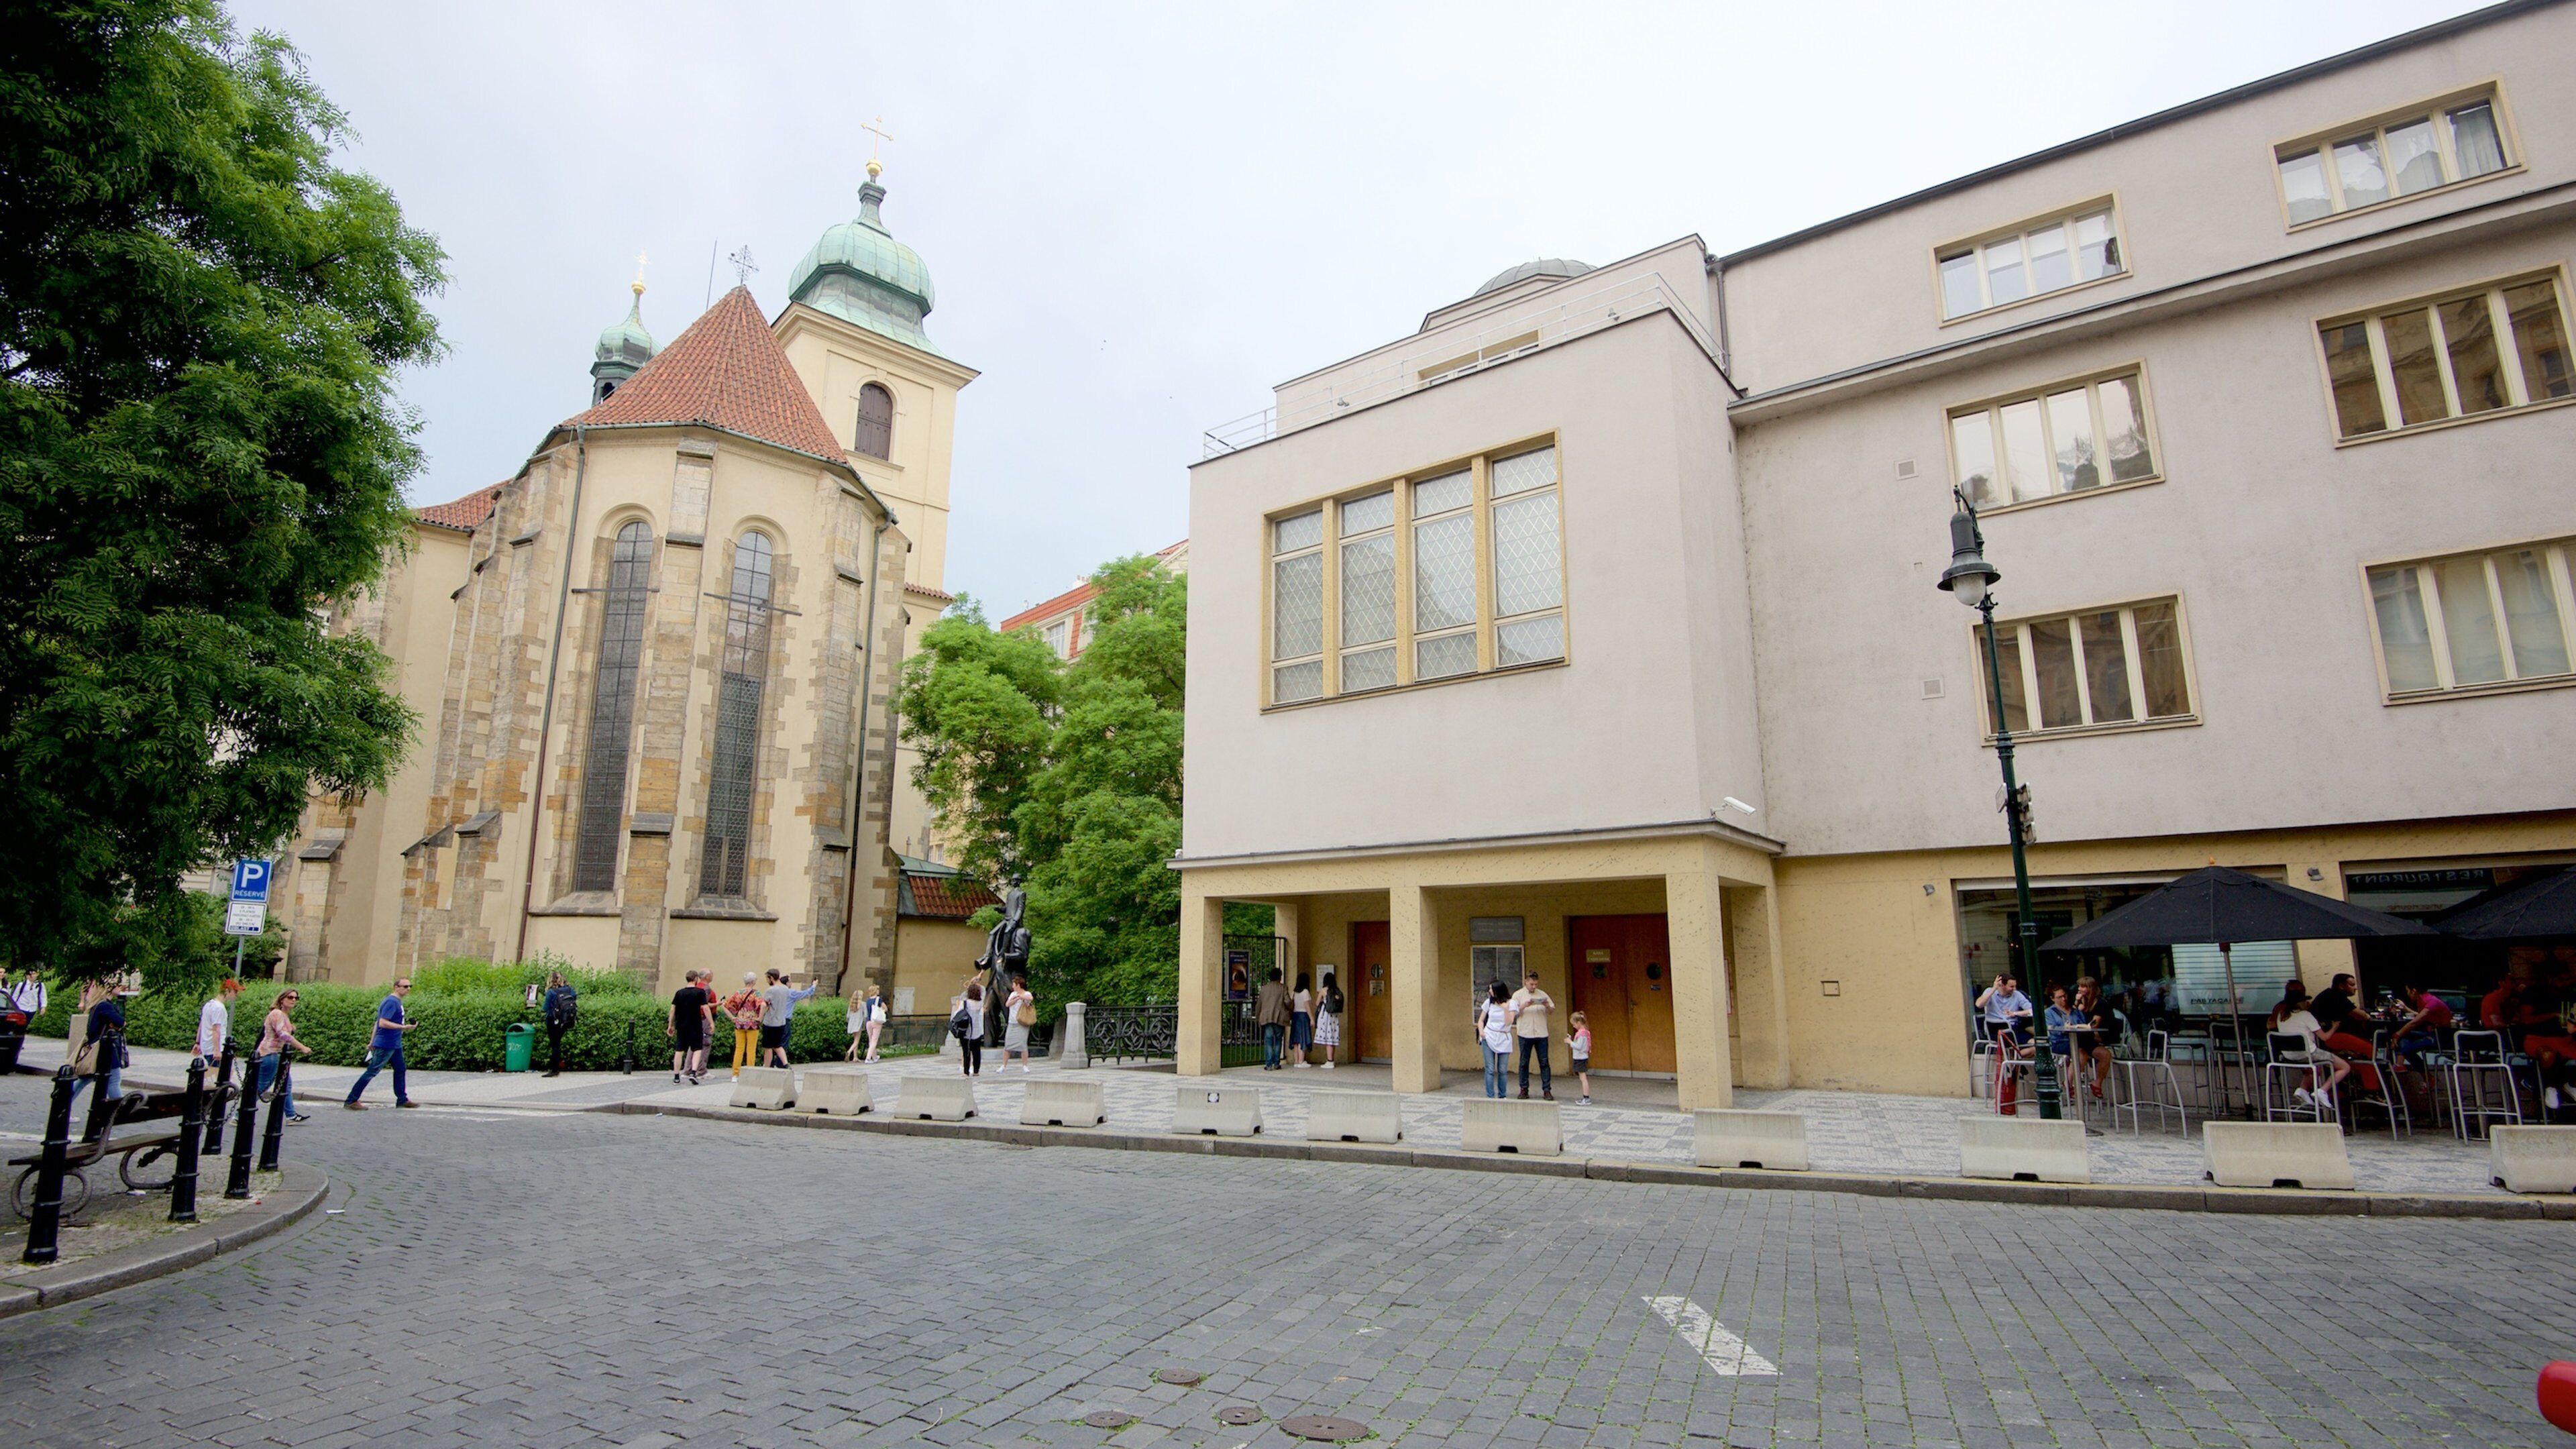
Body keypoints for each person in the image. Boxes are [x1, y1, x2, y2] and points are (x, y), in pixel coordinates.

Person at [345, 977, 420, 1110]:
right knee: (372, 1071)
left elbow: (377, 1022)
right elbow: (382, 1023)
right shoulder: (391, 1002)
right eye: (405, 986)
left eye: (410, 986)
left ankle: (402, 1099)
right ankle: (352, 1100)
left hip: (394, 1043)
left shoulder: (396, 1001)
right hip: (386, 1043)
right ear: (396, 987)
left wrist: (372, 1041)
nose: (408, 989)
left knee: (400, 1069)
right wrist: (403, 1027)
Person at [2272, 996, 2351, 1114]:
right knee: (2344, 1067)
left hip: (2289, 1055)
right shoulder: (2305, 1015)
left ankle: (2303, 1090)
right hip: (2308, 1053)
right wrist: (2335, 1027)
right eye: (2305, 1001)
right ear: (2300, 1003)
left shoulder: (2281, 1015)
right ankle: (2323, 1090)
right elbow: (2325, 1037)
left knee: (2314, 1068)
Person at [68, 980, 129, 1124]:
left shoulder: (99, 1005)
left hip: (97, 1048)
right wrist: (117, 1024)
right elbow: (121, 1022)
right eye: (118, 985)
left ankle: (65, 1105)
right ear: (109, 988)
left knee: (85, 1079)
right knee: (114, 1081)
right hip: (104, 1049)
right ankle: (119, 1112)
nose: (121, 987)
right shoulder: (105, 1006)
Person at [254, 988, 313, 1124]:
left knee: (286, 1085)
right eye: (290, 997)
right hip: (270, 1055)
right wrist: (302, 1047)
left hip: (277, 1055)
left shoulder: (283, 1015)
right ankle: (240, 1115)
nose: (293, 1000)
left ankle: (291, 1115)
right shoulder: (277, 1014)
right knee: (262, 1086)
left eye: (296, 998)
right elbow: (283, 1035)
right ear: (282, 999)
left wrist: (291, 1027)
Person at [1509, 970, 1555, 1101]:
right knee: (1524, 1062)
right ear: (1526, 982)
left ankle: (1547, 1090)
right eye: (1531, 984)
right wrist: (1524, 1006)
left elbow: (1551, 1010)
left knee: (1544, 1062)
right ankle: (1524, 1089)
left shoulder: (1542, 994)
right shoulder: (1518, 995)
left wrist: (1546, 1005)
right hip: (1525, 1033)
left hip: (1541, 1033)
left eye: (1535, 984)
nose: (1534, 987)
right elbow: (1513, 1014)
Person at [760, 969, 818, 1069]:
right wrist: (814, 986)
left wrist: (760, 1017)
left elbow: (764, 1004)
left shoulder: (772, 991)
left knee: (769, 1046)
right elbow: (805, 993)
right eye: (790, 982)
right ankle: (784, 1064)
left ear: (771, 978)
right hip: (783, 1021)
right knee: (780, 1045)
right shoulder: (788, 991)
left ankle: (769, 1065)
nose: (791, 984)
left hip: (771, 1022)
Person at [669, 971, 713, 1083]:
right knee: (697, 1049)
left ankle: (676, 1076)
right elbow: (705, 1008)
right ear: (696, 979)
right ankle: (693, 1073)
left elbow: (673, 1009)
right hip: (695, 1025)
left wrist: (670, 1025)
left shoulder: (679, 993)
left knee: (679, 1050)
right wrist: (711, 1022)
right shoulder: (700, 992)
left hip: (681, 1025)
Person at [722, 973, 765, 1079]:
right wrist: (760, 1018)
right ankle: (750, 1074)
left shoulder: (738, 993)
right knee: (751, 1049)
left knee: (739, 1049)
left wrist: (732, 1018)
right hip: (752, 1024)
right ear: (753, 982)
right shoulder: (756, 994)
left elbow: (725, 1005)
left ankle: (735, 1074)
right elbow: (763, 1005)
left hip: (740, 1024)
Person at [1474, 981, 1513, 1098]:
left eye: (1492, 989)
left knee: (1502, 1070)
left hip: (1504, 1037)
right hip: (1489, 1036)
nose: (1490, 991)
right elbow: (1481, 1020)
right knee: (1490, 1069)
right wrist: (1481, 1032)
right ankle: (1490, 1096)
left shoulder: (1511, 1003)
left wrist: (1505, 1009)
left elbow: (1509, 1022)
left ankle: (1503, 1095)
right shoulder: (1488, 1003)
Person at [1976, 975, 2033, 1045]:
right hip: (1994, 1032)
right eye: (2012, 987)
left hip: (2013, 1030)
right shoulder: (1989, 991)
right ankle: (2014, 1055)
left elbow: (2032, 1010)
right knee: (2032, 1042)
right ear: (2002, 985)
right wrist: (1994, 989)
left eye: (2015, 986)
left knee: (2034, 1043)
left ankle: (2014, 1055)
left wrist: (2015, 1013)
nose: (2014, 989)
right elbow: (1979, 1005)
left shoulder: (2017, 994)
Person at [541, 972, 578, 1077]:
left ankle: (554, 1069)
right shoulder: (570, 990)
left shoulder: (551, 992)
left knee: (555, 1044)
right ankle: (555, 1068)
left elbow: (545, 1008)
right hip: (567, 1020)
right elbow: (574, 997)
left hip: (553, 1019)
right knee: (558, 1042)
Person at [1254, 967, 1291, 1071]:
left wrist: (1258, 1017)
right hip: (1279, 1017)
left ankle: (1269, 1064)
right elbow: (1287, 1001)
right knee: (1278, 1040)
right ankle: (1277, 1063)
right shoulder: (1283, 987)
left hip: (1266, 1017)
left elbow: (1259, 1004)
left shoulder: (1264, 988)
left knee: (1269, 1041)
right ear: (1280, 977)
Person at [197, 977, 241, 1063]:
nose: (236, 995)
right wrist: (217, 1051)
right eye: (235, 992)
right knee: (218, 1074)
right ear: (227, 991)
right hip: (215, 1049)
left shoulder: (209, 1004)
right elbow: (216, 1029)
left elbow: (202, 1025)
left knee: (213, 1074)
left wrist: (198, 1042)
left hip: (206, 1047)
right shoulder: (219, 1008)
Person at [1003, 974, 1036, 1072]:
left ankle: (1025, 1066)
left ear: (1018, 985)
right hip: (1012, 1022)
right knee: (1007, 1045)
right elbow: (1007, 1004)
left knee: (1023, 1045)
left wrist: (1021, 997)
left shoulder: (1027, 994)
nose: (1012, 986)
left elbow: (1030, 999)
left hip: (1022, 1022)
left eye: (1014, 984)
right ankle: (1004, 1066)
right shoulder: (1013, 995)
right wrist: (1016, 998)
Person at [1311, 971, 1343, 1069]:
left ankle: (1330, 1061)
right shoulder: (1337, 990)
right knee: (1333, 1038)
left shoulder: (1324, 990)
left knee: (1328, 1038)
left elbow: (1317, 1003)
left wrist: (1322, 999)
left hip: (1326, 1016)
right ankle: (1331, 1059)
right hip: (1334, 1016)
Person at [955, 981, 986, 1076]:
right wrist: (978, 984)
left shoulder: (965, 1003)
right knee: (977, 1052)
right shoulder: (980, 1003)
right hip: (977, 1031)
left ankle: (966, 1072)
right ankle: (976, 1071)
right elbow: (984, 990)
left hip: (966, 1032)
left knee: (966, 1052)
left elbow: (957, 1015)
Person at [1568, 1011, 1593, 1106]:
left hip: (1580, 1058)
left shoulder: (1582, 1034)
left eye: (1574, 1024)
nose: (1573, 1026)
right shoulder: (1585, 1033)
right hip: (1582, 1057)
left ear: (1579, 1023)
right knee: (1582, 1078)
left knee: (1583, 1078)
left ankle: (1586, 1098)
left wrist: (1570, 1042)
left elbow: (1579, 1046)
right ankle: (1586, 1097)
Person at [1289, 973, 1314, 1069]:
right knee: (1303, 1038)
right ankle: (1301, 1060)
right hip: (1303, 1016)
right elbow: (1307, 1006)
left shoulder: (1294, 992)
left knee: (1296, 1040)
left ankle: (1296, 1061)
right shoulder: (1306, 992)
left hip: (1295, 1016)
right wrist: (1312, 1018)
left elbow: (1291, 1005)